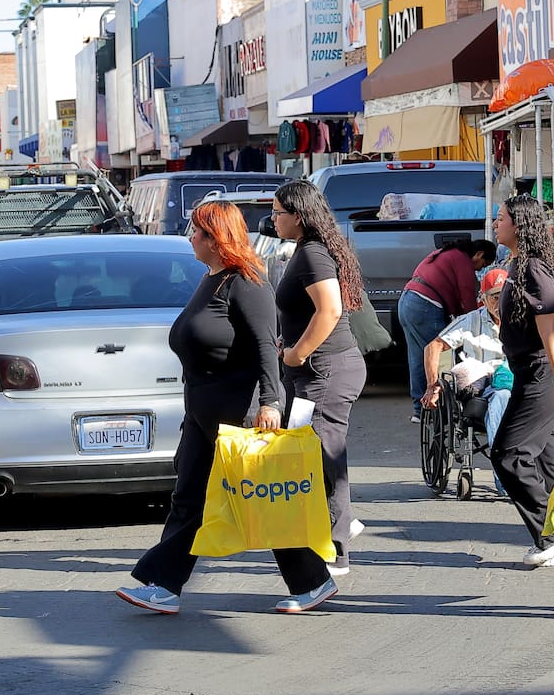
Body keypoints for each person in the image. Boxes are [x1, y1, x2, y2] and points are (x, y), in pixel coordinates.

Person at [116, 201, 282, 615]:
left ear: (215, 238)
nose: (190, 238)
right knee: (187, 497)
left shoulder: (246, 282)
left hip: (236, 414)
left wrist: (271, 401)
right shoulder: (213, 279)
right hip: (202, 414)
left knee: (263, 503)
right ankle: (164, 585)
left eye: (196, 232)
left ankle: (312, 578)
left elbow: (266, 346)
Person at [270, 179, 367, 611]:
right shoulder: (310, 249)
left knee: (321, 457)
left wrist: (295, 354)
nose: (272, 220)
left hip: (325, 370)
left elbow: (330, 309)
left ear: (300, 215)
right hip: (320, 370)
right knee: (316, 454)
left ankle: (335, 546)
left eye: (277, 212)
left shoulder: (312, 252)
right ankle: (339, 528)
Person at [490, 195, 554, 568]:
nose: (496, 224)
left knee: (508, 454)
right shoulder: (518, 264)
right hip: (529, 369)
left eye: (501, 218)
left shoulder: (532, 268)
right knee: (548, 460)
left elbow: (549, 330)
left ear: (520, 225)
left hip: (543, 372)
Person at [420, 268, 511, 492]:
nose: (500, 302)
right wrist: (433, 385)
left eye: (505, 295)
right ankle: (506, 479)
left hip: (514, 383)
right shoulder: (470, 321)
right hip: (480, 386)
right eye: (495, 297)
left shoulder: (521, 320)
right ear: (483, 299)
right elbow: (433, 347)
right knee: (501, 397)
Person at [399, 239, 498, 422]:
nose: (478, 270)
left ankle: (419, 411)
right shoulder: (463, 260)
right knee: (439, 354)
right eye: (482, 265)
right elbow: (468, 298)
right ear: (479, 254)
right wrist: (474, 322)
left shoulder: (445, 253)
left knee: (417, 357)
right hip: (427, 305)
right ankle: (441, 409)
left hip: (407, 300)